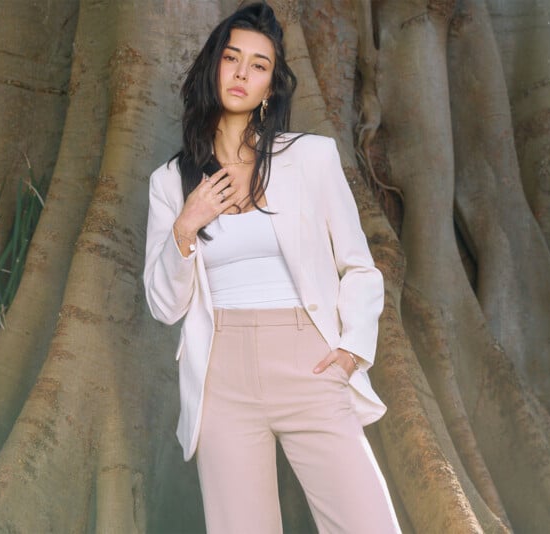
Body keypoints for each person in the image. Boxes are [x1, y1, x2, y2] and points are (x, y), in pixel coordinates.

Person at [143, 3, 399, 533]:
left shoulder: (311, 158)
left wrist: (353, 348)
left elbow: (361, 266)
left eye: (259, 65)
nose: (242, 73)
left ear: (270, 86)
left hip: (308, 360)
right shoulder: (170, 182)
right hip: (222, 375)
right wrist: (185, 227)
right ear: (212, 67)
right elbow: (165, 307)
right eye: (232, 57)